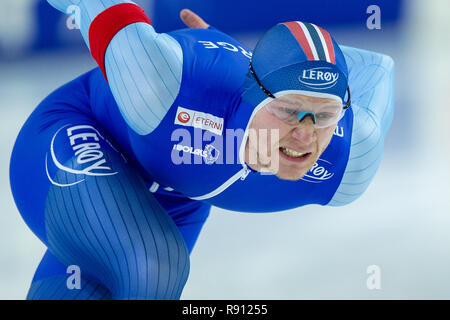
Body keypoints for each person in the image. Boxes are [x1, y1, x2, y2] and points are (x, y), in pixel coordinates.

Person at [9, 1, 394, 300]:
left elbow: (378, 68)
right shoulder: (165, 84)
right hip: (83, 129)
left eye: (324, 115)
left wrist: (257, 56)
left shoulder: (349, 158)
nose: (305, 136)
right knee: (153, 265)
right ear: (252, 93)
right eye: (289, 111)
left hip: (176, 190)